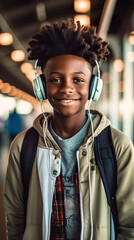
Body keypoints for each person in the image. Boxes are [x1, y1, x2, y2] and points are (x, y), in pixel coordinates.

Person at [4, 18, 134, 240]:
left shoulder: (116, 144)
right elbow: (15, 218)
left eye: (78, 79)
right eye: (55, 79)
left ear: (93, 86)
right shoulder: (24, 145)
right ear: (41, 86)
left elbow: (130, 223)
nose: (66, 88)